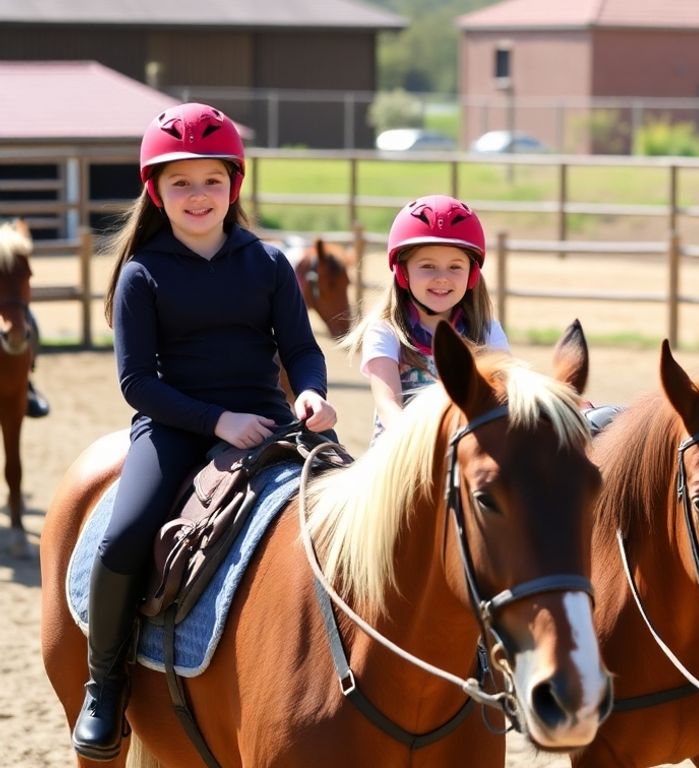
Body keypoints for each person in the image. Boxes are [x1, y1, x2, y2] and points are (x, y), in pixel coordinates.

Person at [72, 103, 337, 760]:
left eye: (211, 181)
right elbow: (137, 383)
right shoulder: (142, 274)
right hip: (174, 427)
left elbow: (300, 349)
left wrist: (310, 393)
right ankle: (105, 685)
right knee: (124, 536)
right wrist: (217, 420)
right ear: (156, 192)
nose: (197, 196)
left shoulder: (269, 264)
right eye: (181, 182)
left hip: (271, 423)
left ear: (234, 187)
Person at [341, 194, 508, 443]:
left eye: (455, 267)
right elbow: (388, 404)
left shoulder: (486, 331)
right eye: (428, 266)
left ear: (472, 275)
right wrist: (424, 447)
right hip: (402, 452)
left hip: (465, 456)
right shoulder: (385, 332)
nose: (442, 277)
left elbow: (510, 391)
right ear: (402, 272)